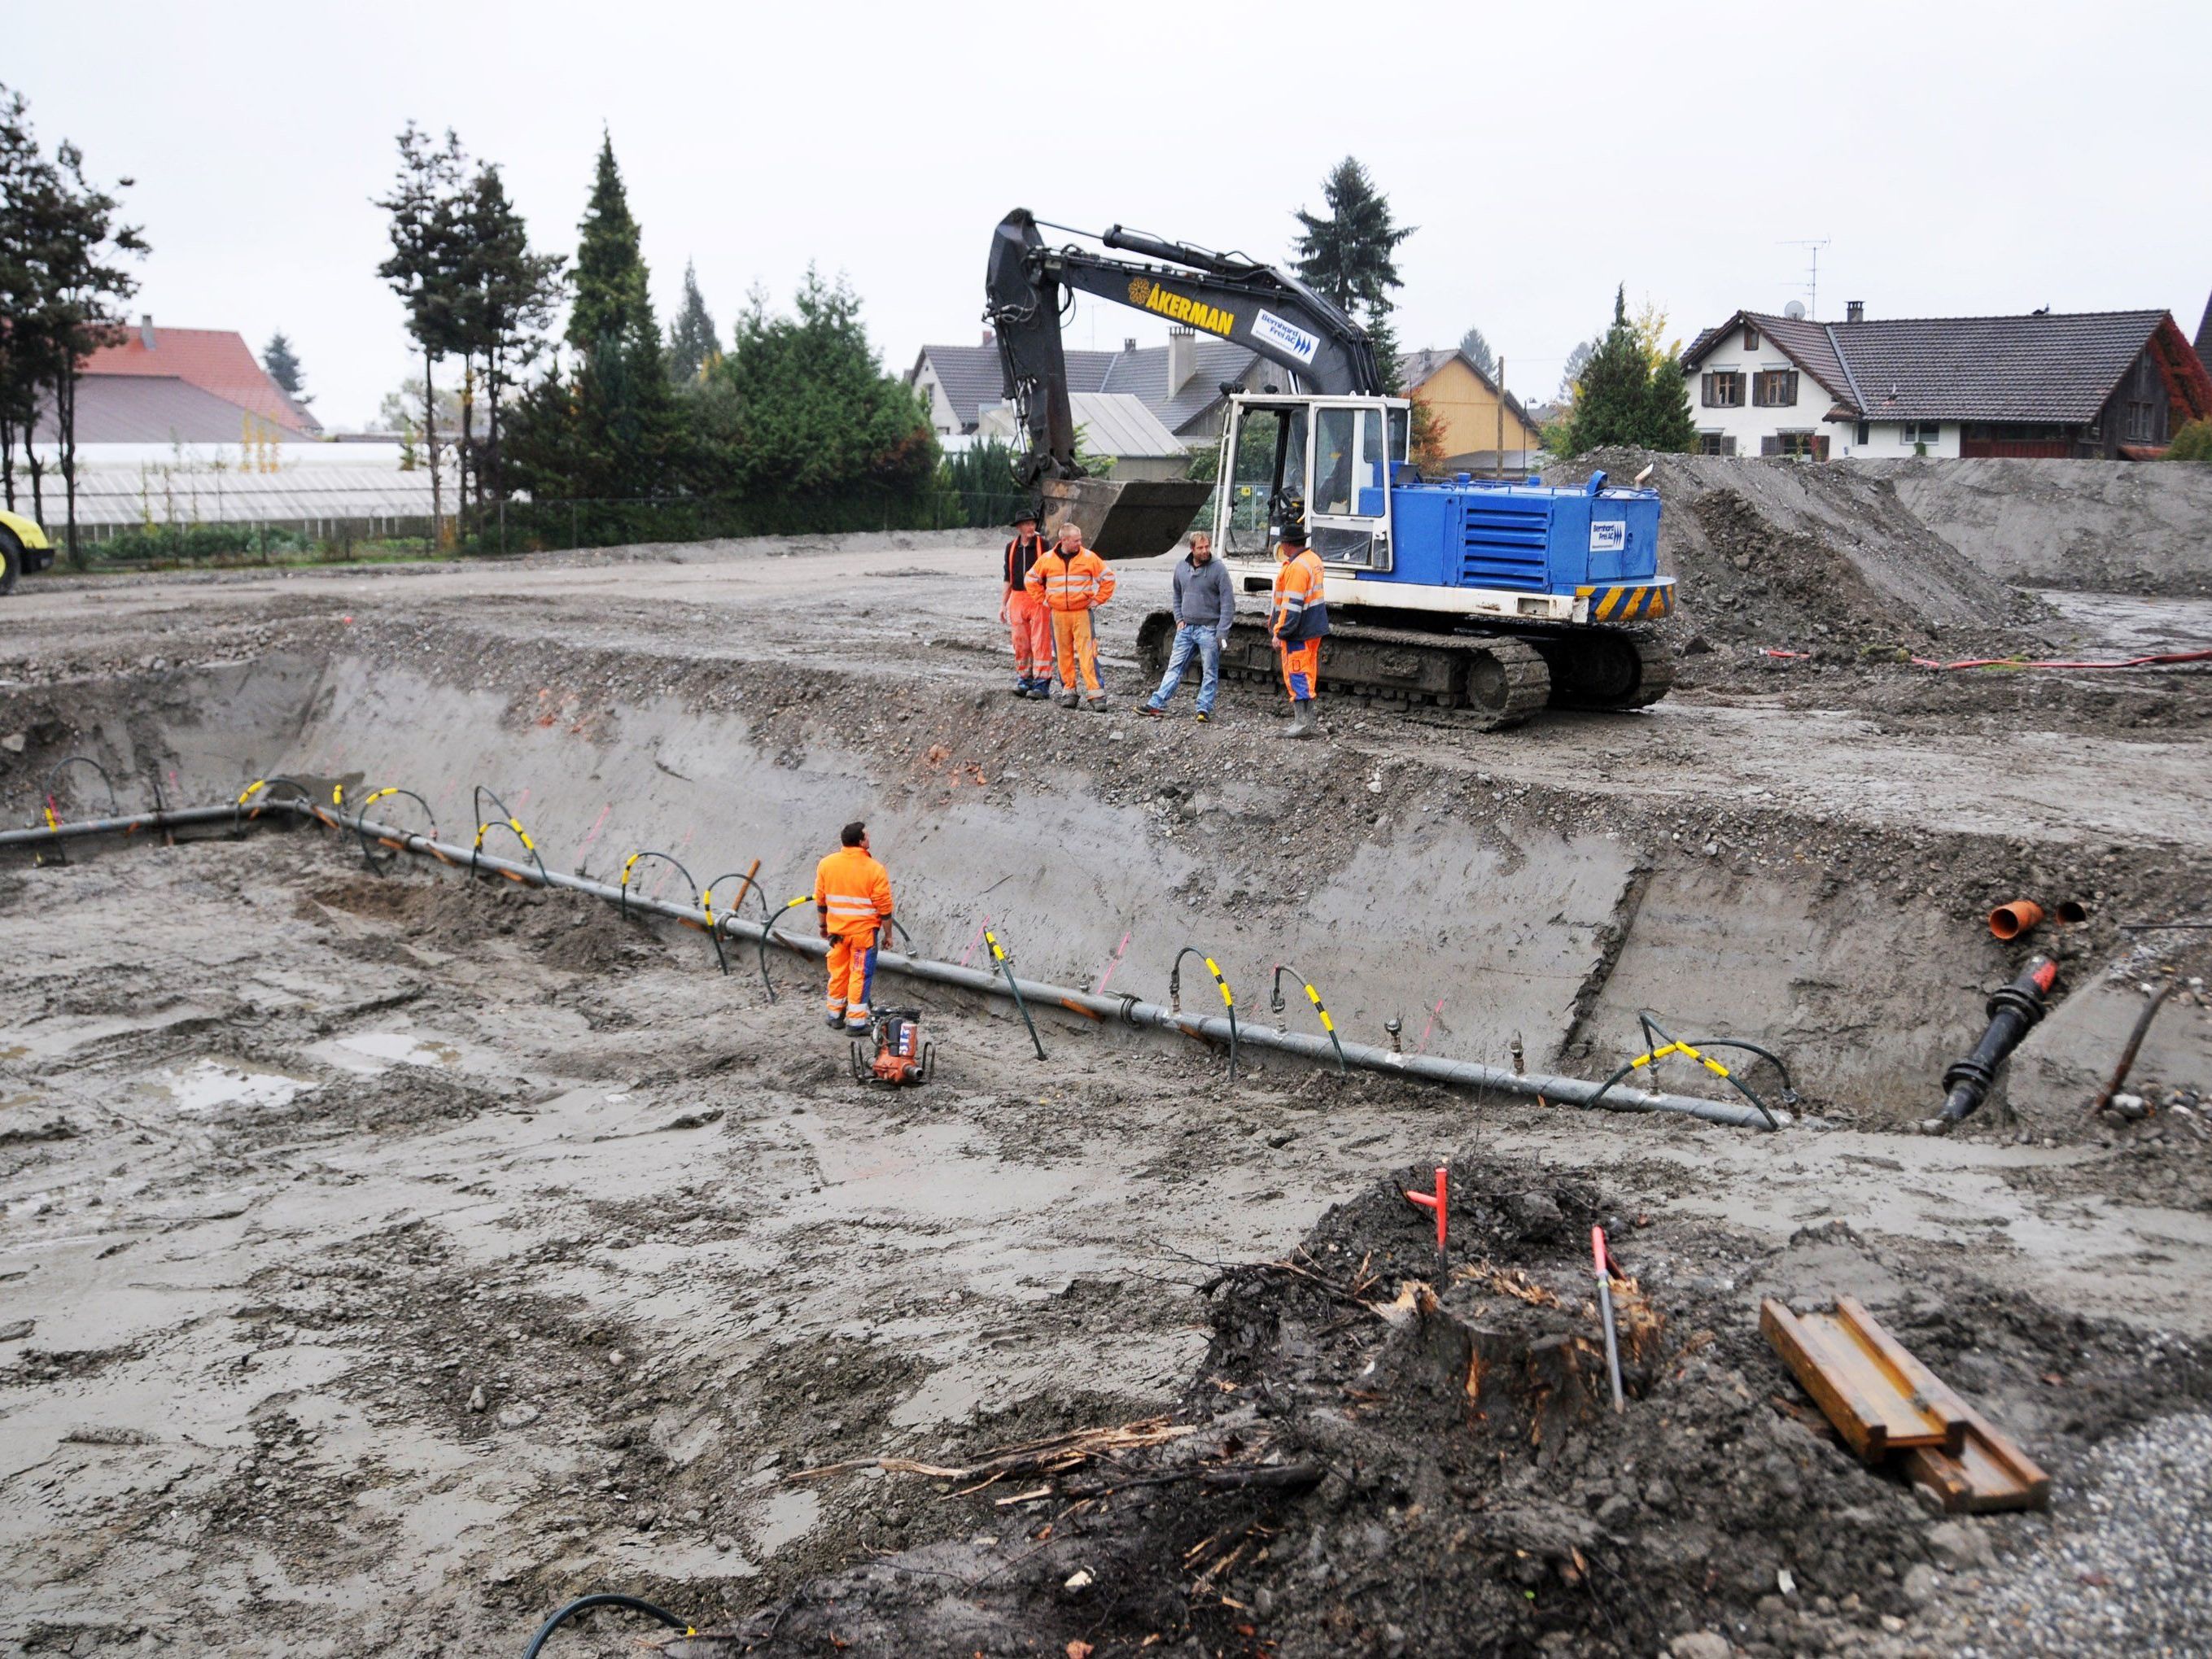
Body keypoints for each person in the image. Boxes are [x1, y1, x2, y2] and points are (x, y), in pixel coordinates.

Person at [1139, 530, 1233, 722]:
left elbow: (1228, 602)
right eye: (1201, 548)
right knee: (1174, 668)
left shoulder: (1218, 569)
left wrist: (1222, 631)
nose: (1205, 551)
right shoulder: (1181, 568)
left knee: (1209, 671)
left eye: (1207, 546)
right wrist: (1179, 619)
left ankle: (1203, 709)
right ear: (1192, 549)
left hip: (1209, 629)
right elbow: (1177, 594)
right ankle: (1156, 704)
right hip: (1186, 628)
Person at [1025, 520, 1116, 710]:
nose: (1079, 544)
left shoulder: (1089, 558)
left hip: (1081, 613)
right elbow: (1031, 579)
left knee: (1088, 654)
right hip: (1058, 614)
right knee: (1063, 655)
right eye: (1075, 541)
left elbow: (1108, 578)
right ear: (1064, 541)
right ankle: (1069, 691)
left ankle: (1096, 694)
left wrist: (1098, 599)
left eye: (1080, 540)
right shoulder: (1048, 559)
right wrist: (1044, 600)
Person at [813, 820, 894, 1033]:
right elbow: (884, 907)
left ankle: (834, 1015)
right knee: (859, 974)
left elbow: (821, 900)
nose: (869, 838)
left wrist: (823, 926)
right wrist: (888, 934)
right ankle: (856, 1023)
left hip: (837, 933)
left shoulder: (826, 864)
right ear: (860, 842)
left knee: (838, 972)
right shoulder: (874, 869)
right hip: (862, 935)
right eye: (867, 836)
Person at [1270, 505, 1328, 740]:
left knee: (1297, 672)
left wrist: (1281, 632)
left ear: (1286, 545)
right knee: (1307, 671)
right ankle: (1308, 722)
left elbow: (1292, 606)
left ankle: (1301, 723)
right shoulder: (1312, 559)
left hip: (1299, 630)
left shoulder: (1297, 567)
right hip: (1313, 627)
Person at [1000, 504, 1053, 700]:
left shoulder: (1045, 545)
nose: (1031, 527)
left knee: (1041, 642)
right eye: (1027, 524)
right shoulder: (1011, 548)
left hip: (1039, 598)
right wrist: (1003, 604)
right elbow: (1008, 577)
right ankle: (1024, 680)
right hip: (1018, 598)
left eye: (1032, 523)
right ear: (1019, 527)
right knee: (1020, 642)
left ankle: (1041, 684)